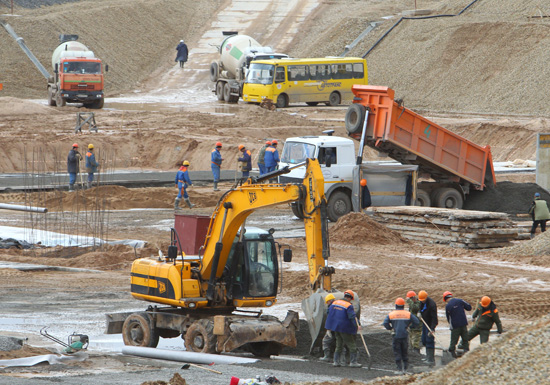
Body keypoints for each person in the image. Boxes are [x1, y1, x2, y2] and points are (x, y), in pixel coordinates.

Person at [325, 290, 362, 368]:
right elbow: (352, 317)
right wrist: (358, 325)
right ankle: (353, 362)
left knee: (339, 344)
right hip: (344, 328)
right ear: (350, 298)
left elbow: (328, 312)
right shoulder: (349, 305)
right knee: (351, 344)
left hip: (335, 327)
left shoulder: (335, 303)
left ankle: (336, 361)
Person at [383, 297, 419, 372]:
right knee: (404, 351)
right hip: (404, 335)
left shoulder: (391, 314)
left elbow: (385, 323)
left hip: (396, 335)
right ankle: (406, 368)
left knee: (397, 351)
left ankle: (399, 368)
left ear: (396, 305)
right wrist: (411, 327)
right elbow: (416, 322)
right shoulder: (408, 314)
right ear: (403, 305)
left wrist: (390, 328)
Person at [443, 291, 472, 357]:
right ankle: (467, 353)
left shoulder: (448, 306)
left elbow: (448, 318)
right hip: (463, 323)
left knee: (453, 342)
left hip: (455, 325)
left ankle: (452, 355)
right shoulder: (460, 301)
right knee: (465, 340)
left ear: (445, 298)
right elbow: (469, 307)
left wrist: (451, 327)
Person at [418, 290, 438, 366]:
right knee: (424, 340)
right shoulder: (421, 302)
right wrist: (419, 312)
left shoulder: (432, 304)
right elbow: (420, 307)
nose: (422, 301)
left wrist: (432, 329)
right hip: (424, 323)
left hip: (430, 324)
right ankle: (427, 357)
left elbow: (434, 318)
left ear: (426, 297)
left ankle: (431, 359)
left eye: (423, 300)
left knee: (429, 340)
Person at [319, 293, 336, 362]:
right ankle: (341, 359)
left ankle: (327, 356)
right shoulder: (338, 306)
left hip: (332, 328)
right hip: (340, 328)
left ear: (329, 301)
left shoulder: (331, 307)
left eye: (327, 302)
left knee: (325, 341)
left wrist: (328, 328)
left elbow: (330, 318)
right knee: (340, 342)